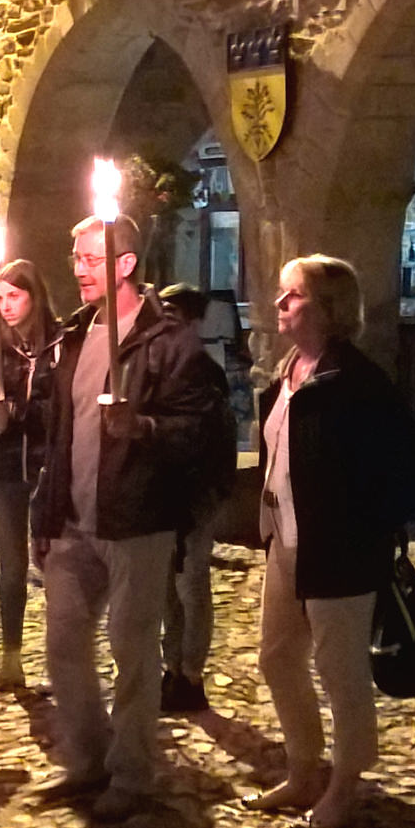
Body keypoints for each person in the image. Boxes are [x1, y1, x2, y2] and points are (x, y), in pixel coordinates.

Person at [32, 214, 214, 823]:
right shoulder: (75, 336)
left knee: (133, 653)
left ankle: (132, 772)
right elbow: (60, 434)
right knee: (63, 644)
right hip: (74, 519)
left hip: (138, 519)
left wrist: (143, 427)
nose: (79, 270)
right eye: (76, 258)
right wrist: (46, 511)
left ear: (127, 264)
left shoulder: (167, 341)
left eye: (91, 259)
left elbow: (200, 430)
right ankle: (88, 758)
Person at [253, 255, 415, 828]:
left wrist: (358, 529)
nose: (280, 304)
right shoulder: (287, 375)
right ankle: (304, 768)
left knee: (340, 671)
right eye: (282, 294)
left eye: (294, 295)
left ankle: (345, 784)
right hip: (286, 543)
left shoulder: (358, 386)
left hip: (339, 552)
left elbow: (403, 479)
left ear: (328, 309)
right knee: (278, 658)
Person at [0, 258, 61, 690]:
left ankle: (59, 663)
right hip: (5, 468)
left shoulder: (60, 345)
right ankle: (11, 659)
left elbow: (57, 408)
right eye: (0, 297)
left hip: (48, 468)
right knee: (11, 568)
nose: (5, 305)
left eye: (14, 296)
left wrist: (15, 411)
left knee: (55, 568)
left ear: (33, 297)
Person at [156, 284, 239, 714]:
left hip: (195, 495)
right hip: (162, 495)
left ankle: (191, 674)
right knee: (166, 590)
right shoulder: (158, 366)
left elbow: (215, 439)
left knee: (191, 585)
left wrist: (210, 493)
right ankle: (171, 667)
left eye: (173, 316)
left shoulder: (204, 373)